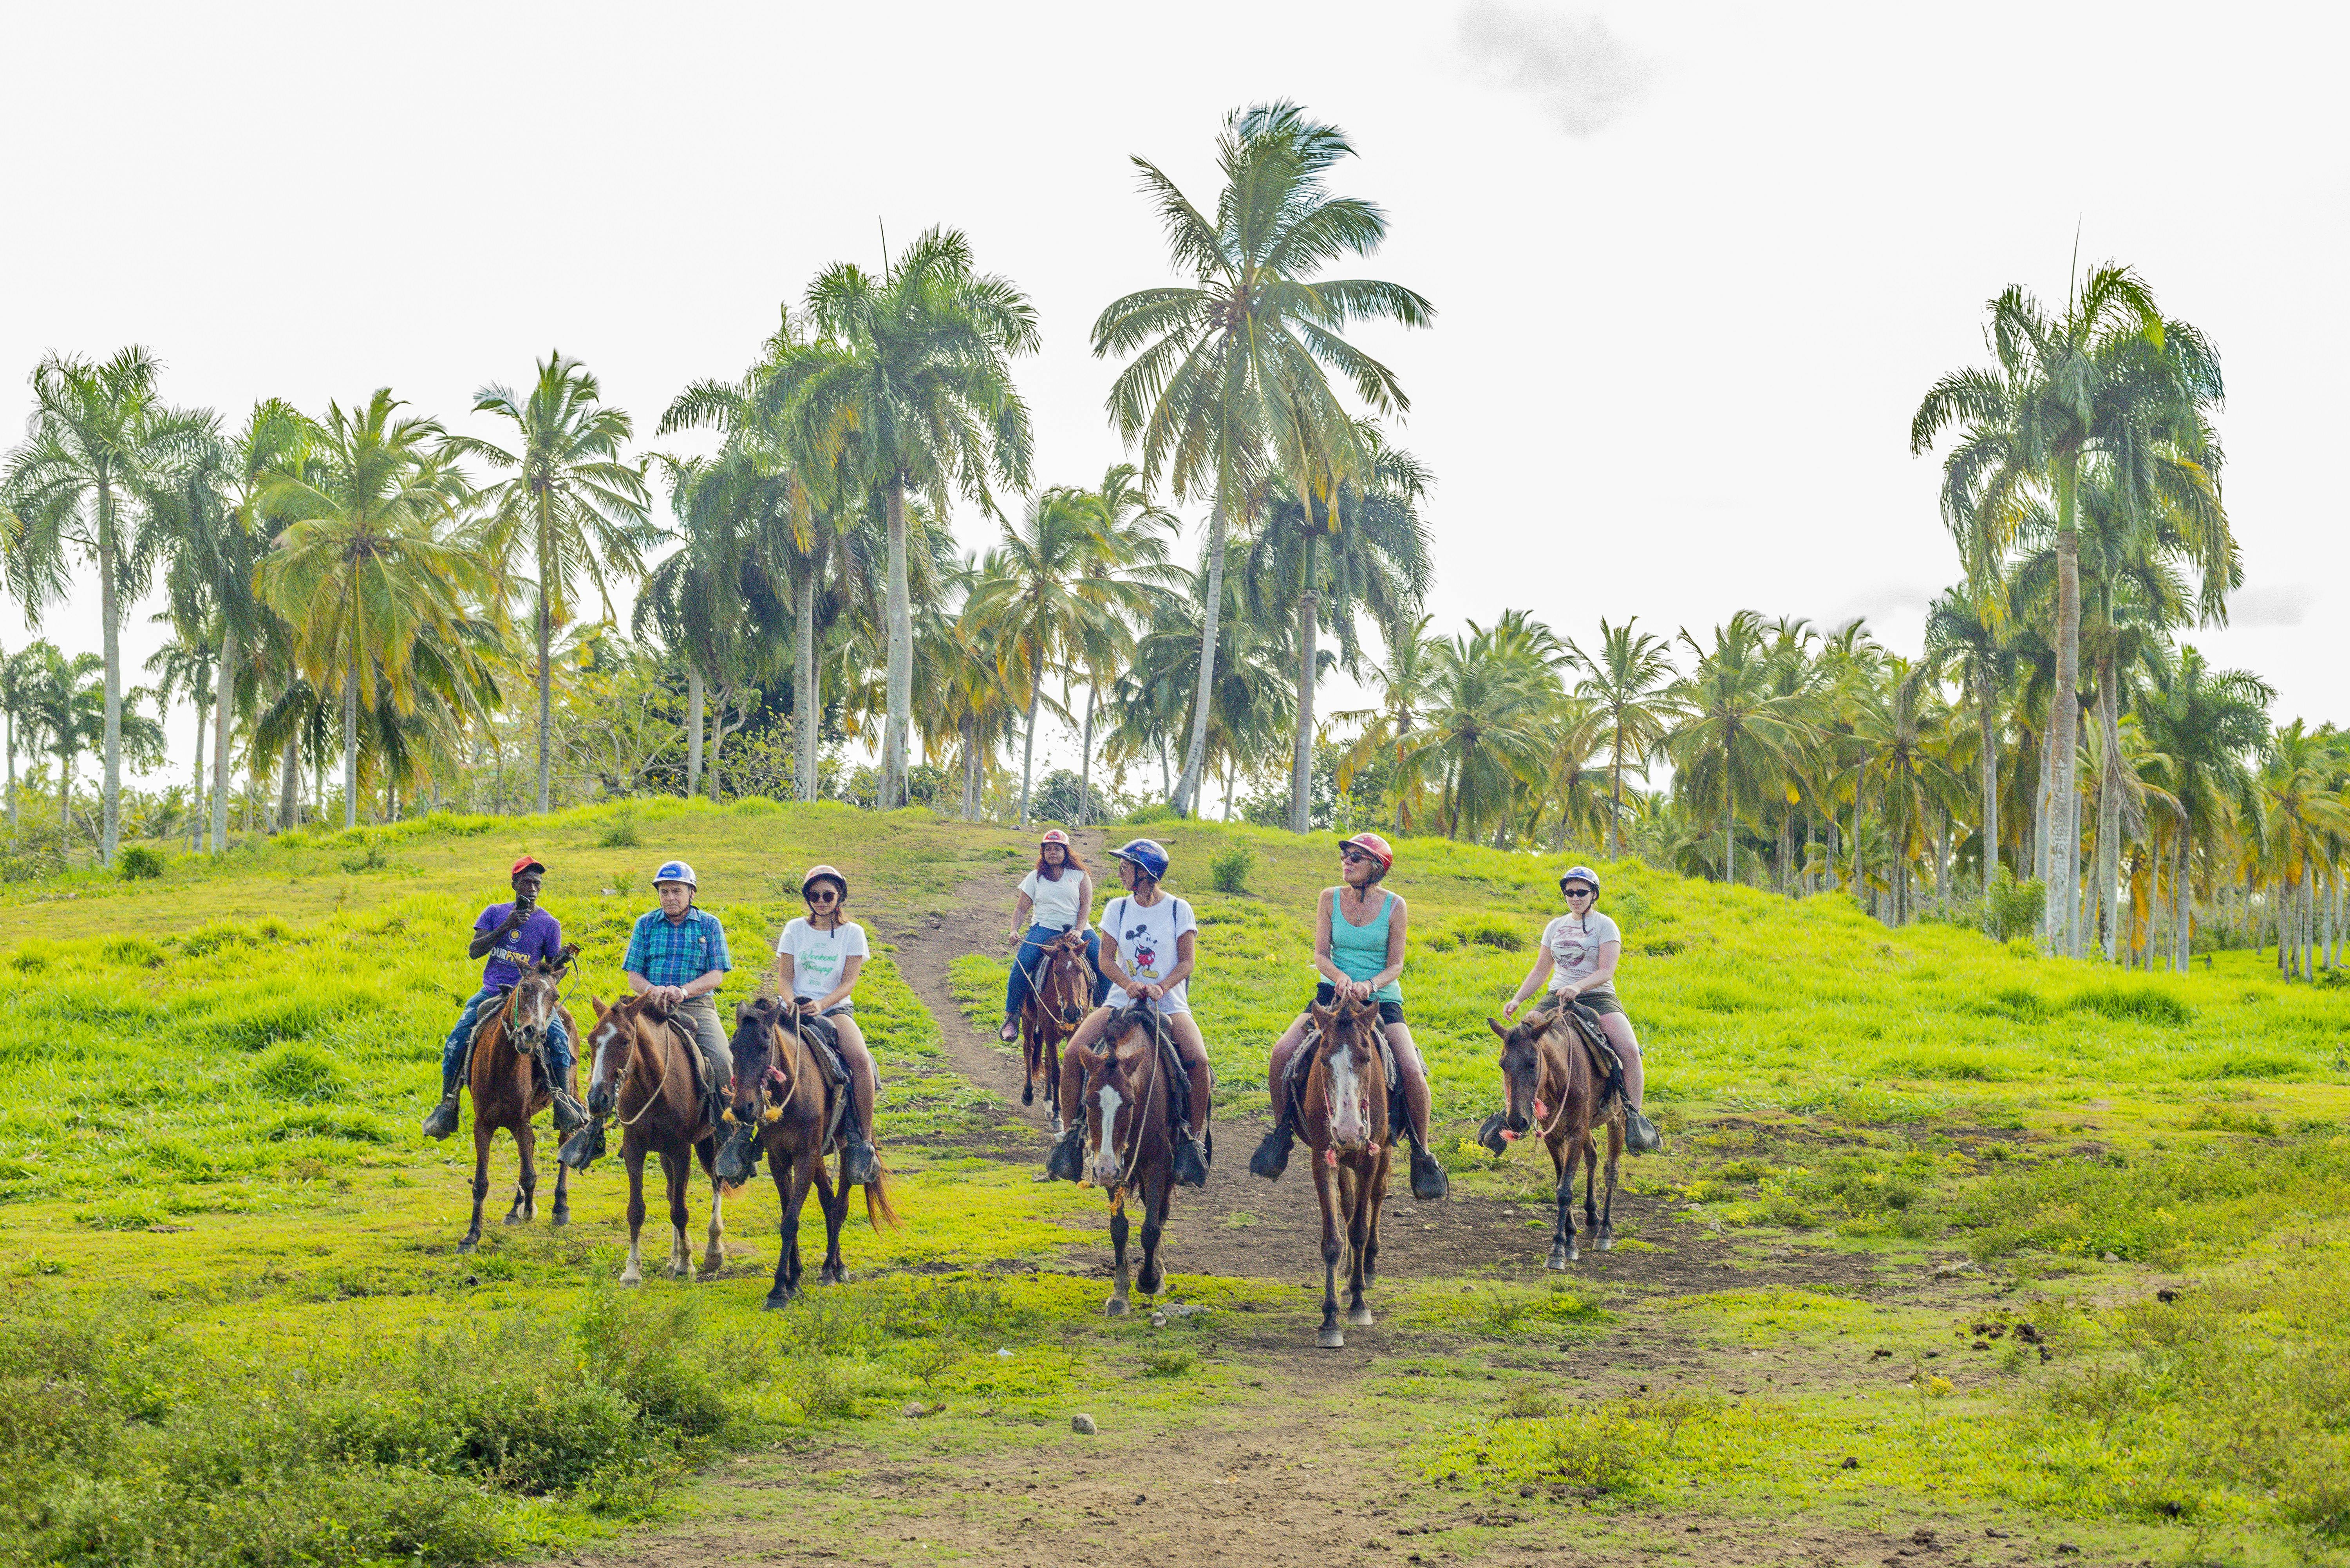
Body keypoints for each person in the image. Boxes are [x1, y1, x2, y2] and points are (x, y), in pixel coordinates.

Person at [1249, 832, 1449, 1199]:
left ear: (1377, 867)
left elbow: (1396, 964)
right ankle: (1281, 1133)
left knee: (1411, 1069)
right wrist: (1340, 978)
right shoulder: (1329, 898)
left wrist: (1370, 985)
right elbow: (1321, 955)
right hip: (1331, 996)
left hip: (1380, 1001)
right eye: (1346, 856)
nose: (1347, 861)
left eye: (1356, 857)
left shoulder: (1396, 906)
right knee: (1281, 1053)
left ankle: (1422, 1152)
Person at [1044, 838, 1214, 1188]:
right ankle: (1073, 1138)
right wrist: (1128, 984)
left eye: (1126, 867)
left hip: (1170, 1003)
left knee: (1199, 1062)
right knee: (1074, 1053)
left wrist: (1162, 986)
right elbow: (1106, 960)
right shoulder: (1117, 909)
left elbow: (1187, 962)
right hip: (1120, 1001)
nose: (1120, 872)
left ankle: (1192, 1142)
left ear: (1146, 873)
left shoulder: (1179, 909)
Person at [1502, 865, 1662, 1153]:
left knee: (1629, 1049)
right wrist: (1518, 999)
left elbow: (1607, 971)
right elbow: (1541, 969)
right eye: (1570, 893)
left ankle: (1635, 1116)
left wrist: (1579, 987)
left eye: (1581, 892)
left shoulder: (1605, 925)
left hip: (1598, 996)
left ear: (1594, 895)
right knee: (1518, 1045)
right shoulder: (1555, 926)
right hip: (1556, 996)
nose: (1575, 898)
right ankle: (1511, 1111)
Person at [423, 855, 586, 1139]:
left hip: (531, 997)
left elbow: (549, 971)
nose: (532, 888)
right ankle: (448, 1105)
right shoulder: (494, 913)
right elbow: (474, 951)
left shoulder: (549, 924)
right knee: (455, 1042)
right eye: (527, 882)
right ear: (514, 884)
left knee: (561, 1043)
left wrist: (560, 961)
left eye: (537, 884)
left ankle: (563, 1103)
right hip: (493, 992)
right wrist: (506, 926)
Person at [772, 864, 880, 1185]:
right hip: (792, 1008)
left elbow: (849, 983)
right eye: (814, 895)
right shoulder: (795, 928)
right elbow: (784, 978)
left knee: (859, 1059)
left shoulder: (853, 933)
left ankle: (864, 1141)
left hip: (834, 1009)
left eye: (828, 895)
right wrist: (791, 1001)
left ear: (839, 897)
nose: (821, 901)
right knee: (751, 1051)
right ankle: (743, 1135)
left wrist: (822, 1005)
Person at [619, 860, 735, 1133]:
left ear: (692, 893)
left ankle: (730, 1131)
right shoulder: (645, 924)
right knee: (613, 1048)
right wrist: (652, 990)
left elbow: (716, 976)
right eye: (664, 892)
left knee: (722, 1058)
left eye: (677, 891)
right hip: (651, 1008)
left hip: (696, 1005)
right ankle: (600, 1124)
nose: (670, 897)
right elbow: (634, 976)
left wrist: (683, 991)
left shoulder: (710, 925)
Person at [999, 828, 1105, 1042]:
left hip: (1077, 928)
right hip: (1045, 928)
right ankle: (1012, 1015)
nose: (1053, 853)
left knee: (1103, 960)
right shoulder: (1035, 878)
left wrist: (1079, 929)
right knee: (1022, 963)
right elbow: (1021, 909)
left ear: (1066, 851)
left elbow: (1086, 905)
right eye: (1048, 849)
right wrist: (1014, 930)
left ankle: (1108, 1013)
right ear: (1043, 852)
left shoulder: (1080, 875)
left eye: (1058, 849)